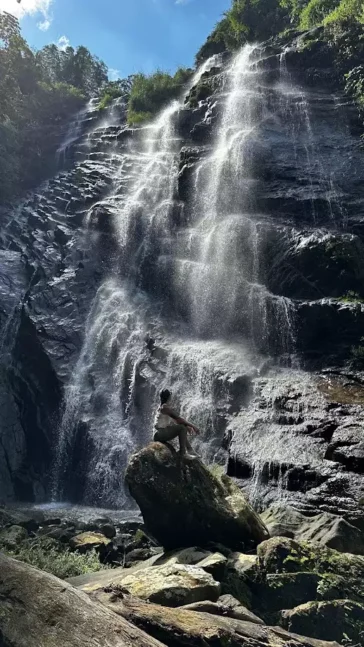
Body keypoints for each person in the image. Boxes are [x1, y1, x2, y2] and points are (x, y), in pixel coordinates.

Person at [153, 389, 200, 459]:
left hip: (160, 432)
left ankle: (190, 450)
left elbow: (177, 421)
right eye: (171, 397)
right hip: (160, 433)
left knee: (182, 427)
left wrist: (187, 426)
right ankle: (183, 453)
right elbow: (179, 419)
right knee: (182, 428)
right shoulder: (164, 408)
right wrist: (193, 426)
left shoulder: (163, 406)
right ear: (169, 398)